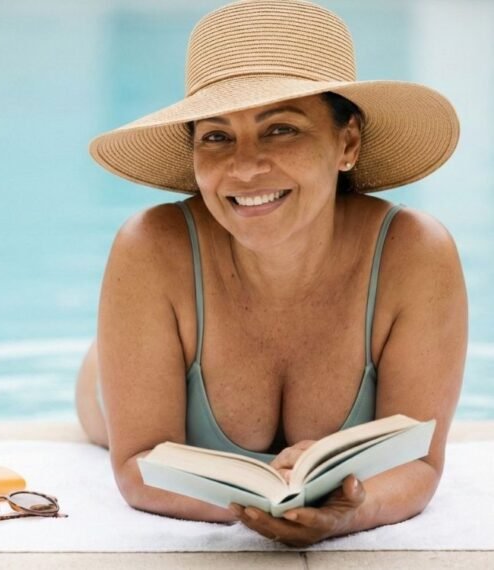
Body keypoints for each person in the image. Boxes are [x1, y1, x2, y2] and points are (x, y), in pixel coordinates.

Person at [75, 0, 467, 547]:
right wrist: (271, 502)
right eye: (216, 136)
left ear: (347, 142)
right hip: (117, 376)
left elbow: (419, 463)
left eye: (281, 129)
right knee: (104, 393)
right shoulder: (150, 248)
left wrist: (347, 511)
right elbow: (138, 463)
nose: (244, 167)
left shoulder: (415, 254)